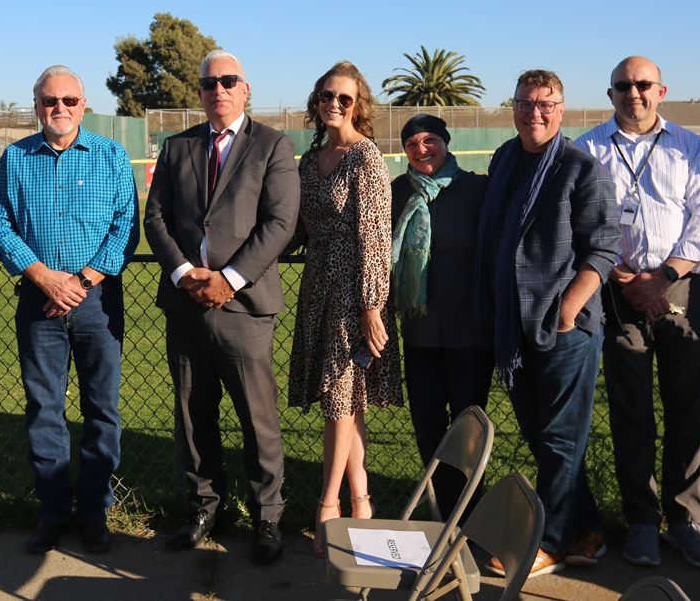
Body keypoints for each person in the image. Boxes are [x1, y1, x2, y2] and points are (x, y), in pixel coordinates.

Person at [144, 50, 299, 565]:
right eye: (210, 83)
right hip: (187, 302)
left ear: (245, 88)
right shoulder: (177, 146)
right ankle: (203, 509)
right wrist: (186, 274)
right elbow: (157, 219)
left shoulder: (273, 146)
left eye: (229, 81)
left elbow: (279, 224)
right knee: (192, 417)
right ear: (200, 92)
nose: (219, 90)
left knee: (258, 418)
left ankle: (267, 517)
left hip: (244, 307)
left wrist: (229, 280)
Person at [473, 69, 620, 579]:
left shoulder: (582, 168)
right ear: (512, 107)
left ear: (561, 110)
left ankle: (550, 540)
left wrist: (566, 311)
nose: (534, 112)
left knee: (559, 438)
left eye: (545, 104)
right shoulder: (505, 158)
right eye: (525, 102)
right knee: (547, 437)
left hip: (563, 329)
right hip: (513, 325)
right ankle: (590, 529)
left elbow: (603, 248)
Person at [576, 57, 700, 570]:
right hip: (615, 290)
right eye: (623, 86)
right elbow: (581, 219)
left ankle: (686, 521)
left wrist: (661, 280)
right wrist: (625, 278)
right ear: (610, 92)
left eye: (642, 85)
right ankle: (642, 520)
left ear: (661, 90)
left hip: (678, 287)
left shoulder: (689, 145)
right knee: (631, 411)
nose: (633, 93)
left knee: (688, 409)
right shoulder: (588, 147)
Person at [0, 65, 138, 556]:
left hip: (95, 301)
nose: (60, 108)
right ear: (36, 106)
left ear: (83, 105)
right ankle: (52, 512)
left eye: (69, 101)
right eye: (50, 100)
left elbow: (124, 227)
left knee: (101, 410)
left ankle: (94, 512)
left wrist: (82, 280)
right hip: (38, 299)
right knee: (44, 409)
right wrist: (42, 276)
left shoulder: (112, 155)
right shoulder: (16, 157)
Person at [286, 61, 401, 556]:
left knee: (338, 402)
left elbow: (376, 239)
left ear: (359, 105)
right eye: (326, 96)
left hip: (356, 296)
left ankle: (327, 506)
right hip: (317, 290)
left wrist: (373, 307)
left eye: (344, 98)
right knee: (346, 404)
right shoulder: (308, 161)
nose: (334, 104)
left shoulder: (366, 157)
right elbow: (294, 232)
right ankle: (362, 504)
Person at [390, 113, 490, 519]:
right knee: (428, 423)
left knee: (467, 427)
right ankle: (439, 505)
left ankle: (467, 506)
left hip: (469, 333)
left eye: (429, 140)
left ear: (446, 142)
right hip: (420, 332)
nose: (421, 149)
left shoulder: (477, 188)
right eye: (412, 144)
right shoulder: (398, 190)